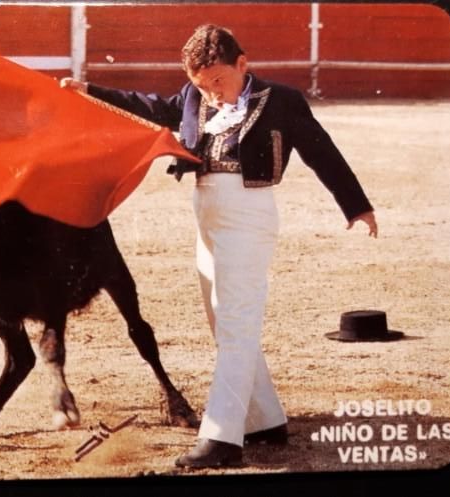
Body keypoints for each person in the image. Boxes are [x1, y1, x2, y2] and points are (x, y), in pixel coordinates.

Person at [61, 24, 378, 469]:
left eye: (218, 81)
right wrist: (91, 90)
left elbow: (322, 152)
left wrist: (356, 206)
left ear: (242, 65)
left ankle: (223, 437)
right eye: (201, 86)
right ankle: (263, 418)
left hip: (250, 214)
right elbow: (150, 107)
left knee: (236, 322)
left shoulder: (281, 100)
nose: (211, 94)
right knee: (220, 318)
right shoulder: (193, 99)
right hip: (206, 214)